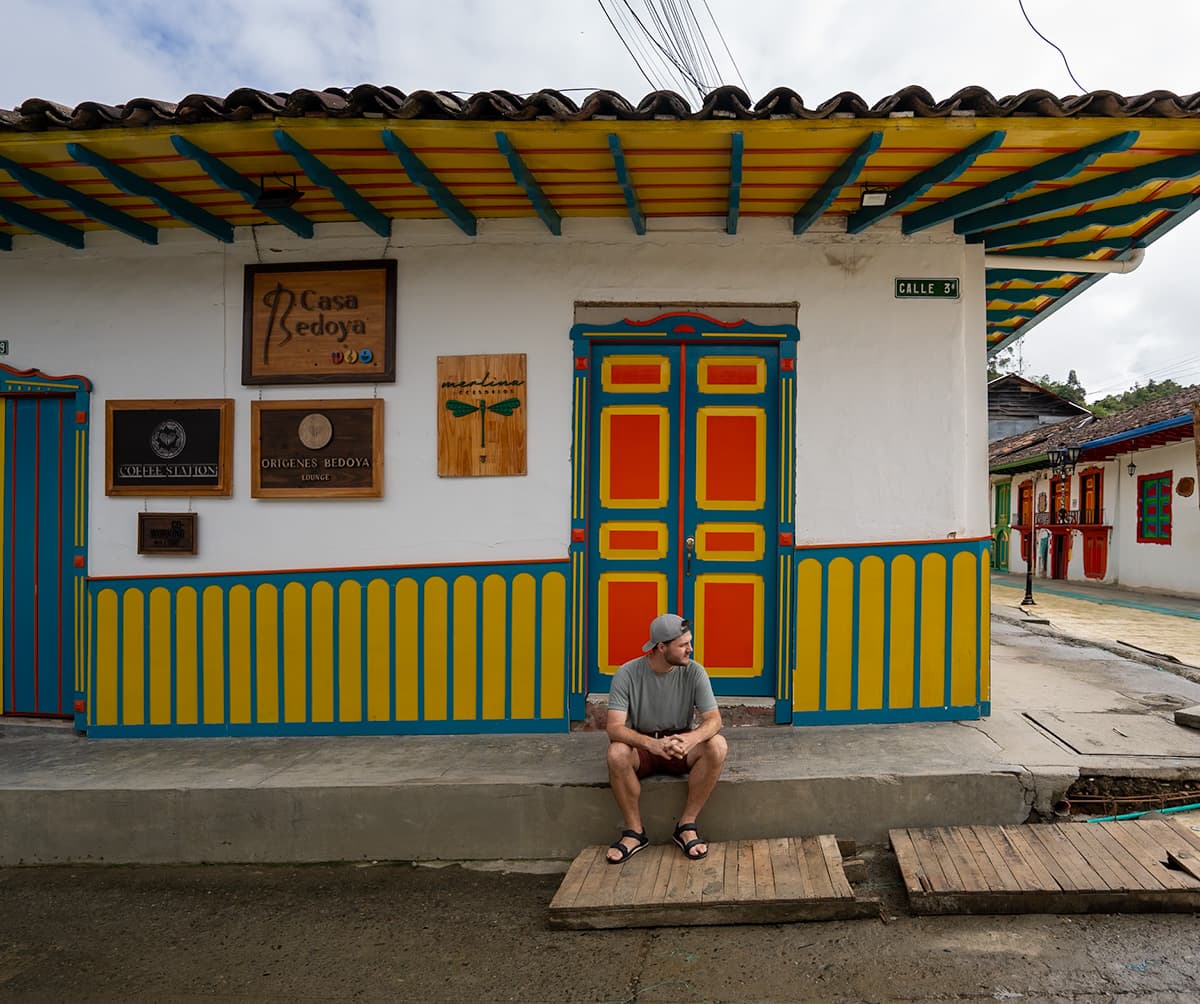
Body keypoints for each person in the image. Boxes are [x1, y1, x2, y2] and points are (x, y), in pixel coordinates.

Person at [604, 613, 727, 864]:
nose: (690, 649)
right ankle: (634, 832)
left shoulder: (695, 672)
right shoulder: (626, 674)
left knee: (717, 744)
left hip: (681, 744)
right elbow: (614, 728)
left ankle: (686, 826)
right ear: (661, 647)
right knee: (616, 752)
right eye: (683, 645)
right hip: (644, 746)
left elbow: (715, 720)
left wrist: (691, 739)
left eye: (689, 643)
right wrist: (651, 744)